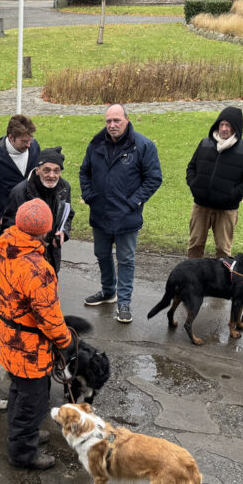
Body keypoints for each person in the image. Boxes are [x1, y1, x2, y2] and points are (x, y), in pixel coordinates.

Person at [0, 198, 74, 470]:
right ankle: (23, 453)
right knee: (31, 400)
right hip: (30, 348)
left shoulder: (5, 249)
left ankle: (24, 435)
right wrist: (66, 341)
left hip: (7, 337)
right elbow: (49, 318)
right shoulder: (38, 270)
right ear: (45, 230)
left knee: (19, 392)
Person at [79, 103, 163, 323]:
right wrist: (89, 196)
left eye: (117, 120)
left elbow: (154, 178)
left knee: (125, 259)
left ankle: (124, 302)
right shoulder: (96, 144)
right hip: (100, 213)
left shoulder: (142, 146)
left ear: (127, 119)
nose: (112, 125)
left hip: (126, 215)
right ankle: (109, 292)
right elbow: (84, 171)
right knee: (101, 254)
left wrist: (134, 201)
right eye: (108, 121)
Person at [185, 106, 243, 259]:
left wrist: (233, 194)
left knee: (223, 250)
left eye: (228, 125)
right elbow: (191, 167)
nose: (224, 129)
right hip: (201, 206)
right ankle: (192, 278)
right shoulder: (205, 143)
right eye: (221, 124)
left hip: (226, 210)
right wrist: (194, 185)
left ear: (235, 127)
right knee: (195, 245)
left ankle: (222, 281)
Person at [2, 146, 73, 274]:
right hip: (26, 259)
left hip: (52, 257)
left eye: (56, 171)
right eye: (47, 170)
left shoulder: (64, 188)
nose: (52, 175)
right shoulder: (19, 193)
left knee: (50, 291)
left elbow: (67, 214)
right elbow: (9, 229)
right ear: (37, 170)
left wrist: (63, 232)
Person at [0, 114, 42, 215]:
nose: (28, 145)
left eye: (30, 140)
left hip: (33, 213)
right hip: (7, 216)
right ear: (11, 137)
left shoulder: (35, 148)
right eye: (24, 141)